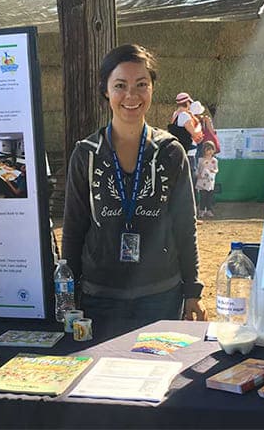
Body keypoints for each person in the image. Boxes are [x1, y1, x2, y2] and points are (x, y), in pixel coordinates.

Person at [62, 44, 207, 337]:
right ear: (106, 90)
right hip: (98, 298)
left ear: (152, 88)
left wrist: (193, 291)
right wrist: (69, 294)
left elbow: (184, 227)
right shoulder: (86, 154)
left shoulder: (170, 152)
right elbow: (74, 229)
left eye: (142, 84)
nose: (131, 95)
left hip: (161, 297)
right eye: (120, 85)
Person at [169, 92, 204, 180]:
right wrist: (199, 130)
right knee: (190, 180)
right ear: (187, 103)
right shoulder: (185, 115)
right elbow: (194, 134)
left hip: (180, 150)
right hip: (189, 153)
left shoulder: (175, 114)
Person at [196, 141, 219, 218]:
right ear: (204, 150)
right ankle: (201, 211)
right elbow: (198, 169)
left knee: (209, 197)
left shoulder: (214, 160)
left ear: (214, 150)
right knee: (203, 197)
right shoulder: (200, 160)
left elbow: (216, 169)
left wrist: (214, 171)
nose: (209, 151)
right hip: (202, 182)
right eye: (207, 149)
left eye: (211, 149)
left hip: (210, 182)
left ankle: (209, 211)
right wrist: (198, 175)